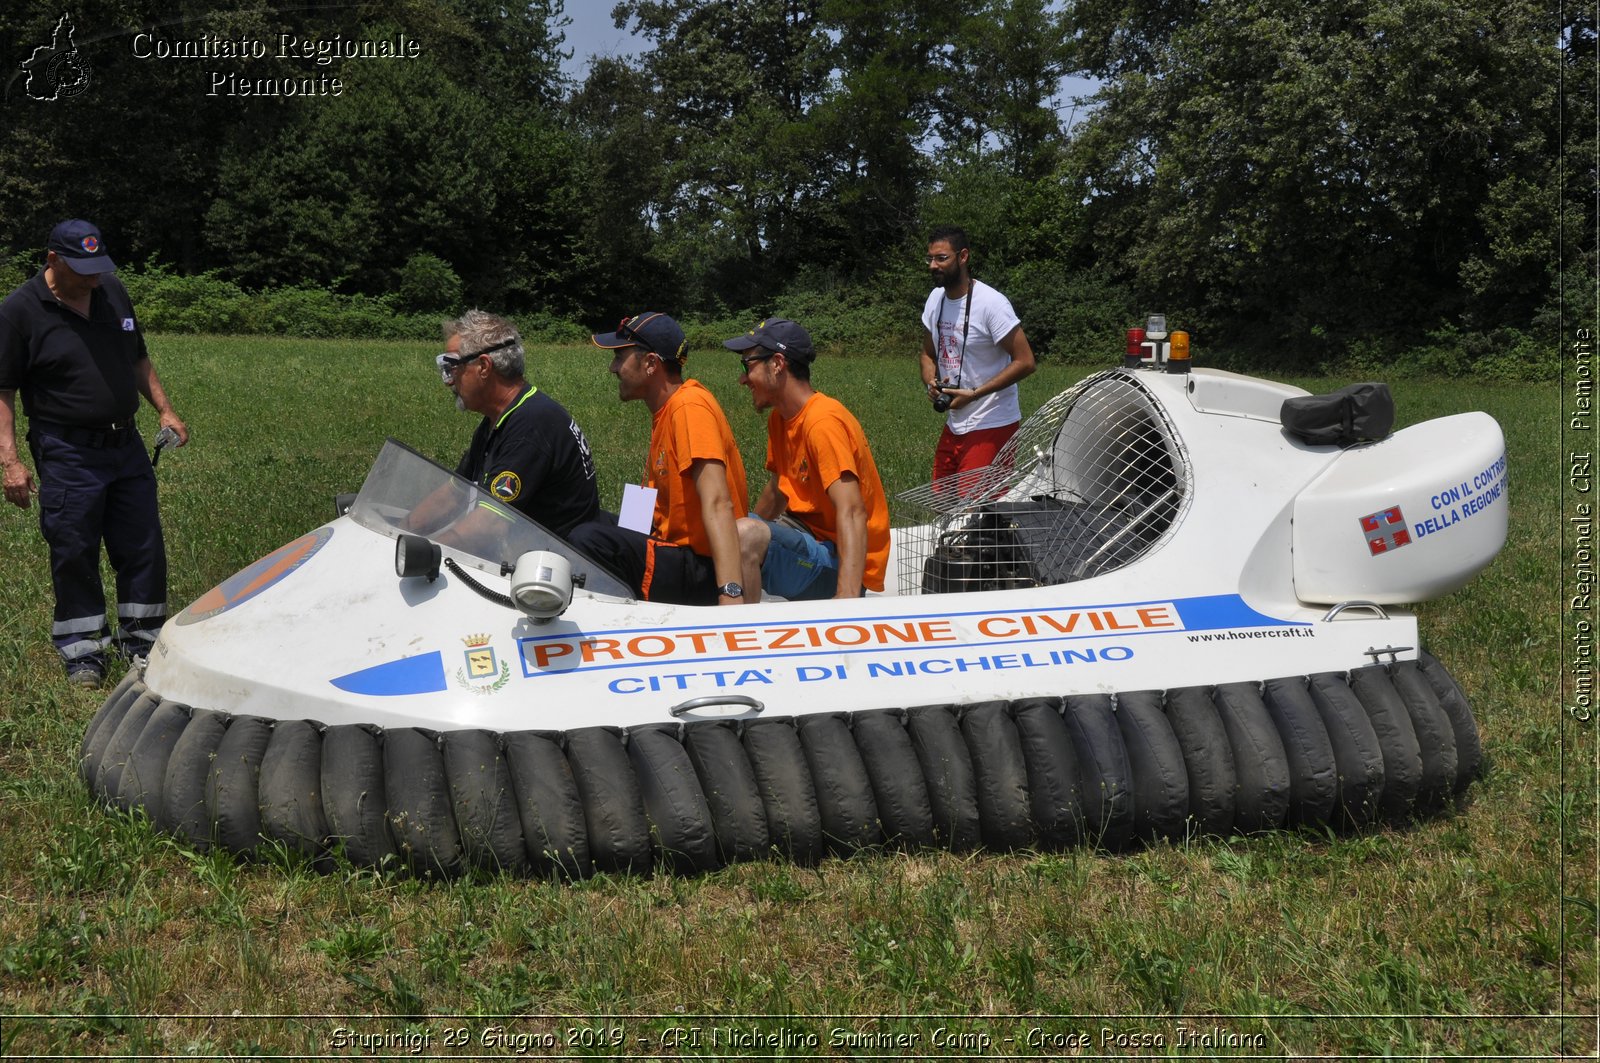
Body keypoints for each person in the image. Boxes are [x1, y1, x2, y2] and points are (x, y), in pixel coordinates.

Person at [0, 219, 188, 687]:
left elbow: (138, 358)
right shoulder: (19, 312)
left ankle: (143, 640)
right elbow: (1, 392)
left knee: (142, 542)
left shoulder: (112, 292)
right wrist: (10, 462)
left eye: (98, 267)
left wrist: (165, 410)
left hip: (125, 446)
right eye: (82, 269)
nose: (93, 277)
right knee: (74, 547)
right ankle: (84, 649)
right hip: (66, 451)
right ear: (52, 260)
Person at [567, 312, 749, 606]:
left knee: (587, 539)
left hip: (701, 568)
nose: (613, 368)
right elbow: (651, 502)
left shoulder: (690, 408)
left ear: (651, 363)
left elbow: (719, 501)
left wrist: (730, 594)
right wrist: (624, 533)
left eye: (619, 357)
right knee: (583, 520)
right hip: (673, 549)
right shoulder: (666, 410)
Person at [726, 318, 889, 601]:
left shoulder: (822, 422)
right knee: (732, 533)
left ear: (777, 363)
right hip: (808, 538)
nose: (742, 379)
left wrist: (846, 600)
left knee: (744, 536)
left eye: (747, 365)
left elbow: (852, 511)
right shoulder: (781, 418)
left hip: (839, 563)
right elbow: (778, 489)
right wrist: (745, 529)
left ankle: (744, 637)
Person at [418, 309, 599, 539]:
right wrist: (398, 532)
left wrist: (428, 551)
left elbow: (490, 524)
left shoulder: (531, 426)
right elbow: (453, 495)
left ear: (484, 367)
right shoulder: (499, 420)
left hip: (553, 563)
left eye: (453, 367)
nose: (449, 381)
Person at [920, 224, 1036, 487]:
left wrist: (974, 393)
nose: (933, 266)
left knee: (976, 513)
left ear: (963, 257)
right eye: (930, 258)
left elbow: (1026, 361)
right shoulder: (935, 300)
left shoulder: (991, 304)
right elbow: (927, 354)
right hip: (955, 422)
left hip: (991, 422)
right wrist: (932, 383)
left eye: (941, 258)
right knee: (941, 500)